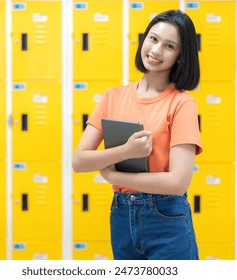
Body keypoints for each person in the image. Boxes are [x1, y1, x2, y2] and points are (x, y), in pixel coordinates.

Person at [72, 9, 202, 260]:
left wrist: (114, 175)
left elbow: (178, 183)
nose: (155, 51)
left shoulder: (182, 104)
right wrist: (126, 152)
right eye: (153, 39)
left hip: (167, 218)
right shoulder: (113, 96)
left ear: (180, 56)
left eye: (169, 46)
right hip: (122, 217)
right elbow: (79, 160)